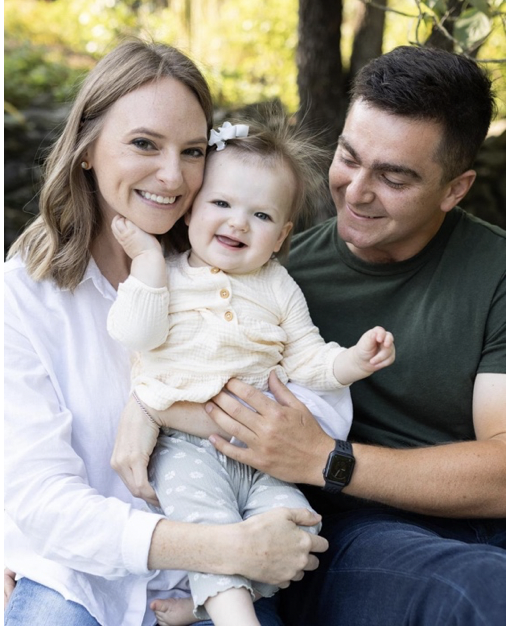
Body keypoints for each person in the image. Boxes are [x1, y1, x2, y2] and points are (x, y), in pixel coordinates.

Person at [111, 45, 505, 625]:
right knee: (483, 587)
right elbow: (187, 350)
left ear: (455, 188)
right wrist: (145, 405)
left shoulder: (496, 271)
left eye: (393, 177)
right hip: (359, 532)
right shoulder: (275, 269)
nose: (357, 191)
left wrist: (327, 459)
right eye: (349, 157)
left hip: (475, 525)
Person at [3, 39, 330, 627]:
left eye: (193, 151)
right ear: (87, 149)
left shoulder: (232, 269)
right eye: (144, 144)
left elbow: (318, 410)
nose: (173, 175)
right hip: (80, 582)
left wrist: (152, 407)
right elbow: (41, 496)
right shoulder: (27, 295)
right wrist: (227, 547)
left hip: (213, 592)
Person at [106, 116, 395, 625]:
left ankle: (203, 604)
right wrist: (147, 264)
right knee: (214, 528)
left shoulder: (279, 286)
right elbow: (136, 334)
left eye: (260, 215)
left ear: (281, 235)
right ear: (190, 210)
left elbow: (307, 358)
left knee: (296, 530)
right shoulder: (166, 275)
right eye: (221, 204)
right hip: (186, 446)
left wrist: (352, 360)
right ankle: (237, 619)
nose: (238, 223)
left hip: (265, 456)